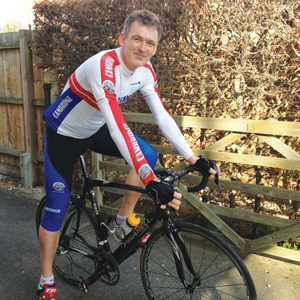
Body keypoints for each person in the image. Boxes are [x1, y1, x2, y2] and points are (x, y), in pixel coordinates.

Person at [37, 9, 220, 300]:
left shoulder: (145, 71)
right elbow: (119, 127)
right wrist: (150, 182)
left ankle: (121, 224)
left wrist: (192, 158)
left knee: (147, 153)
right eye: (137, 39)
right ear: (123, 38)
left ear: (156, 47)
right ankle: (46, 278)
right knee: (57, 205)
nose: (143, 48)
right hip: (64, 134)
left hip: (96, 128)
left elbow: (162, 117)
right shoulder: (104, 66)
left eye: (151, 43)